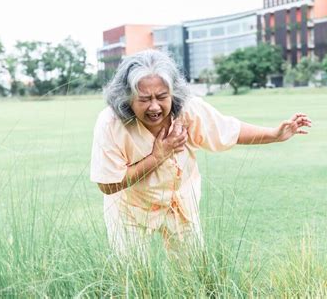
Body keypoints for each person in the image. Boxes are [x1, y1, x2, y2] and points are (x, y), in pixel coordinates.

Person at [90, 49, 312, 255]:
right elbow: (108, 185)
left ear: (173, 93)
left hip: (180, 202)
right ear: (127, 97)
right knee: (133, 279)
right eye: (145, 99)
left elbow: (227, 130)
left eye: (162, 96)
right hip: (130, 208)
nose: (155, 107)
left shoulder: (187, 109)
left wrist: (275, 134)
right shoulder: (110, 123)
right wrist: (160, 154)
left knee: (192, 272)